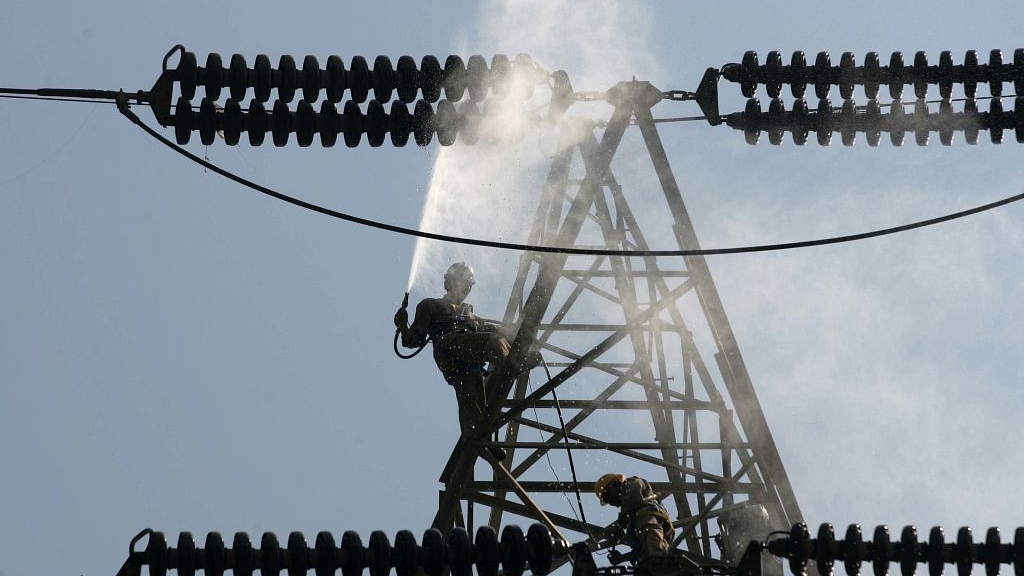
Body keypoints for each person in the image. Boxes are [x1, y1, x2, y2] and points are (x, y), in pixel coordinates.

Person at [394, 262, 540, 440]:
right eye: (464, 282)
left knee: (475, 409)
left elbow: (494, 330)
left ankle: (478, 445)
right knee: (494, 342)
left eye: (469, 285)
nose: (467, 288)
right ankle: (512, 365)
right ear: (451, 282)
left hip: (467, 362)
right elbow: (413, 341)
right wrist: (403, 325)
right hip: (449, 345)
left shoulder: (469, 314)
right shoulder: (430, 305)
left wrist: (522, 341)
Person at [594, 473, 675, 563]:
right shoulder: (631, 517)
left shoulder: (630, 483)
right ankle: (656, 559)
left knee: (647, 528)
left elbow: (634, 494)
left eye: (607, 495)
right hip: (657, 536)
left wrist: (623, 517)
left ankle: (658, 556)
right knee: (639, 544)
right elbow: (639, 550)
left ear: (615, 484)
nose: (610, 501)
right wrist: (622, 558)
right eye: (606, 500)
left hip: (651, 517)